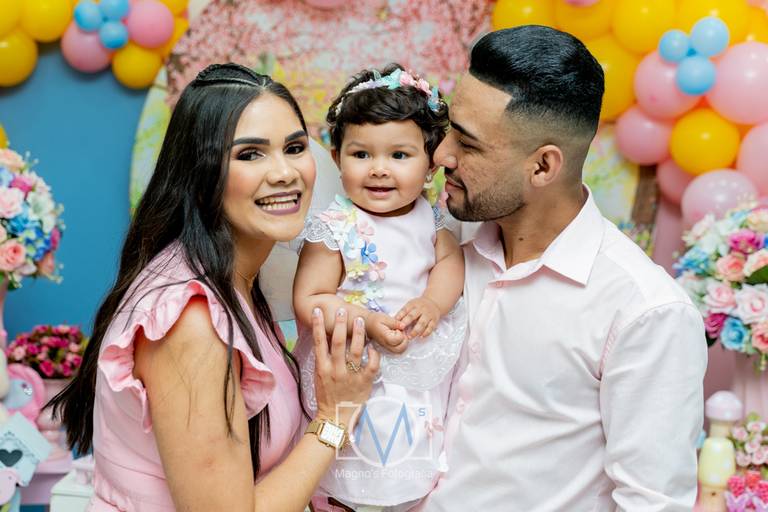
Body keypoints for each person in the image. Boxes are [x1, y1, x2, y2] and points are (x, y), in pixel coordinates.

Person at [49, 63, 380, 512]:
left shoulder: (235, 280)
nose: (285, 173)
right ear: (201, 173)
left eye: (294, 147)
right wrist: (334, 417)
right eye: (250, 154)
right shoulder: (191, 320)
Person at [418, 26, 708, 511]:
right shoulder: (438, 240)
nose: (442, 153)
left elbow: (652, 503)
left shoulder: (645, 312)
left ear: (543, 167)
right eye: (450, 130)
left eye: (467, 144)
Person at [292, 64, 465, 512]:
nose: (379, 170)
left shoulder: (431, 217)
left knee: (412, 448)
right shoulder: (335, 226)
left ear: (431, 163)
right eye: (361, 154)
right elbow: (310, 299)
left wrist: (433, 302)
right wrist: (365, 321)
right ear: (337, 158)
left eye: (399, 155)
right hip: (354, 363)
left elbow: (450, 262)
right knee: (356, 453)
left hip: (412, 359)